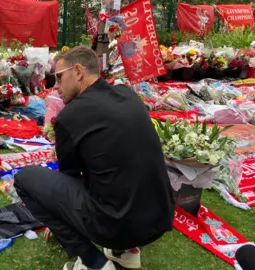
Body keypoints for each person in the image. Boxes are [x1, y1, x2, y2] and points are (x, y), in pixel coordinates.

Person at [14, 46, 175, 270]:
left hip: (116, 225)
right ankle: (126, 252)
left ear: (78, 71)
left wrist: (56, 215)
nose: (56, 87)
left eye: (59, 78)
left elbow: (69, 176)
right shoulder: (128, 95)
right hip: (161, 217)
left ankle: (93, 263)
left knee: (25, 178)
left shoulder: (71, 115)